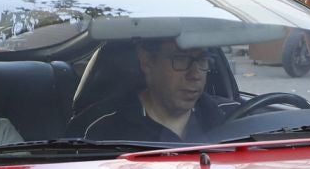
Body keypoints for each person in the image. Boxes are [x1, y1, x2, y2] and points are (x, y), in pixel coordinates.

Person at [85, 38, 227, 144]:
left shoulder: (230, 115)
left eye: (202, 60)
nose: (195, 75)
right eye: (181, 59)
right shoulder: (102, 131)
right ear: (147, 61)